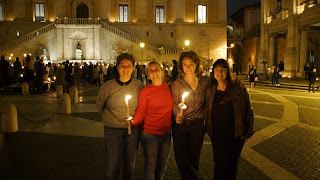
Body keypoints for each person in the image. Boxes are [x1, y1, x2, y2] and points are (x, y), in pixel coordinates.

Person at [96, 53, 144, 180]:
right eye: (122, 65)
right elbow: (100, 105)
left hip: (132, 129)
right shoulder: (108, 86)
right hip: (112, 129)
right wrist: (112, 118)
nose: (126, 68)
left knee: (130, 164)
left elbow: (143, 107)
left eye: (129, 65)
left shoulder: (139, 86)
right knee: (113, 165)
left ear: (133, 67)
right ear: (117, 67)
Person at [205, 59, 254, 180]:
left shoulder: (238, 88)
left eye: (223, 69)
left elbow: (248, 109)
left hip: (235, 136)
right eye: (216, 69)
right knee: (219, 165)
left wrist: (248, 132)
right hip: (217, 136)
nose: (219, 72)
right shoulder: (210, 89)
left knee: (231, 167)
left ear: (228, 71)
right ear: (213, 72)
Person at [130, 61, 173, 180]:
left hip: (166, 134)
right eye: (151, 70)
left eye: (156, 69)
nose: (154, 72)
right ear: (147, 74)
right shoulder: (145, 91)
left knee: (163, 165)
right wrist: (133, 122)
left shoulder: (169, 88)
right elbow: (141, 111)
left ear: (162, 71)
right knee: (151, 165)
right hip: (149, 134)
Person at [171, 51, 210, 180]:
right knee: (182, 161)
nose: (188, 67)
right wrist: (177, 115)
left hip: (197, 126)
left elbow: (222, 83)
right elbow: (175, 103)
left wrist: (238, 83)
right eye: (185, 64)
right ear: (181, 66)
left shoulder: (204, 83)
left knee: (194, 160)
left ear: (196, 64)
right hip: (181, 126)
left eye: (191, 64)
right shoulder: (177, 84)